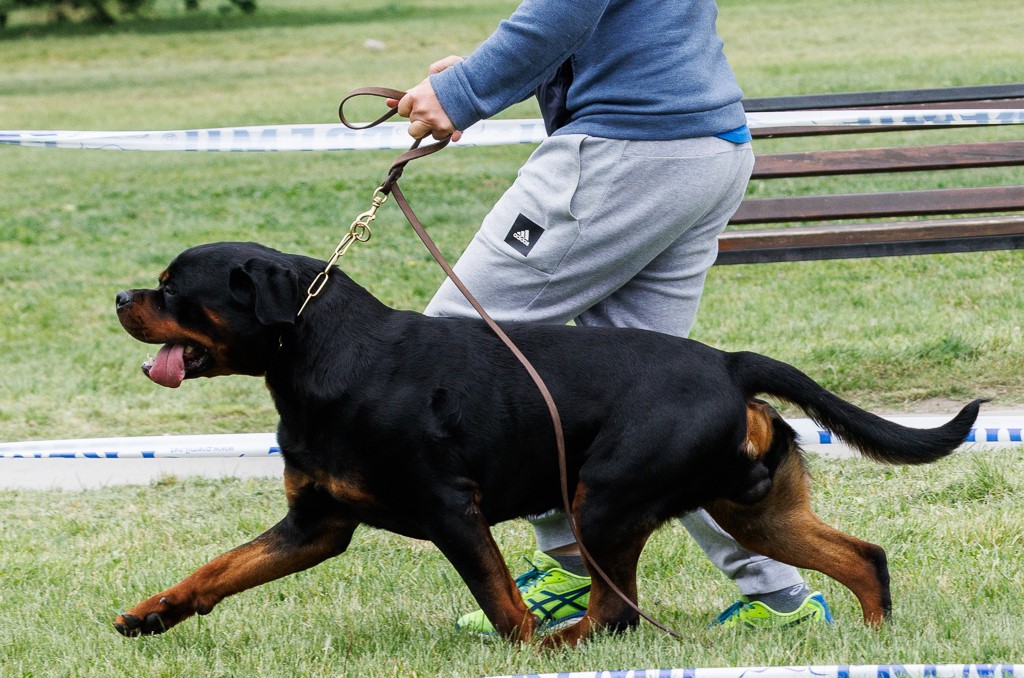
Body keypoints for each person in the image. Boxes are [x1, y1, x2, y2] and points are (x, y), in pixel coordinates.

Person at [390, 0, 833, 633]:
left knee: (450, 353)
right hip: (706, 144)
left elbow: (564, 10)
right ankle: (778, 596)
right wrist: (505, 73)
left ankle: (572, 560)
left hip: (627, 150)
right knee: (658, 411)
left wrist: (463, 91)